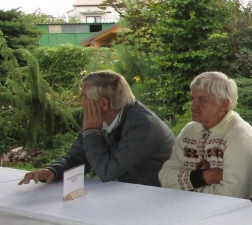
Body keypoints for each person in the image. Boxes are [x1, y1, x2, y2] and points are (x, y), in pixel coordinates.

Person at [19, 70, 174, 187]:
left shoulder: (143, 126)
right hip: (130, 193)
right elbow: (79, 156)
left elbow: (107, 171)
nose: (82, 104)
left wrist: (92, 132)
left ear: (103, 104)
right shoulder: (103, 119)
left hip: (159, 198)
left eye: (85, 98)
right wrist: (52, 170)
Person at [159, 72, 252, 199]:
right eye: (193, 99)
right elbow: (165, 177)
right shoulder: (190, 130)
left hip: (242, 212)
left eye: (202, 100)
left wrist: (185, 190)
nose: (193, 106)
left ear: (224, 104)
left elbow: (233, 195)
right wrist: (205, 177)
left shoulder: (240, 135)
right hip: (193, 208)